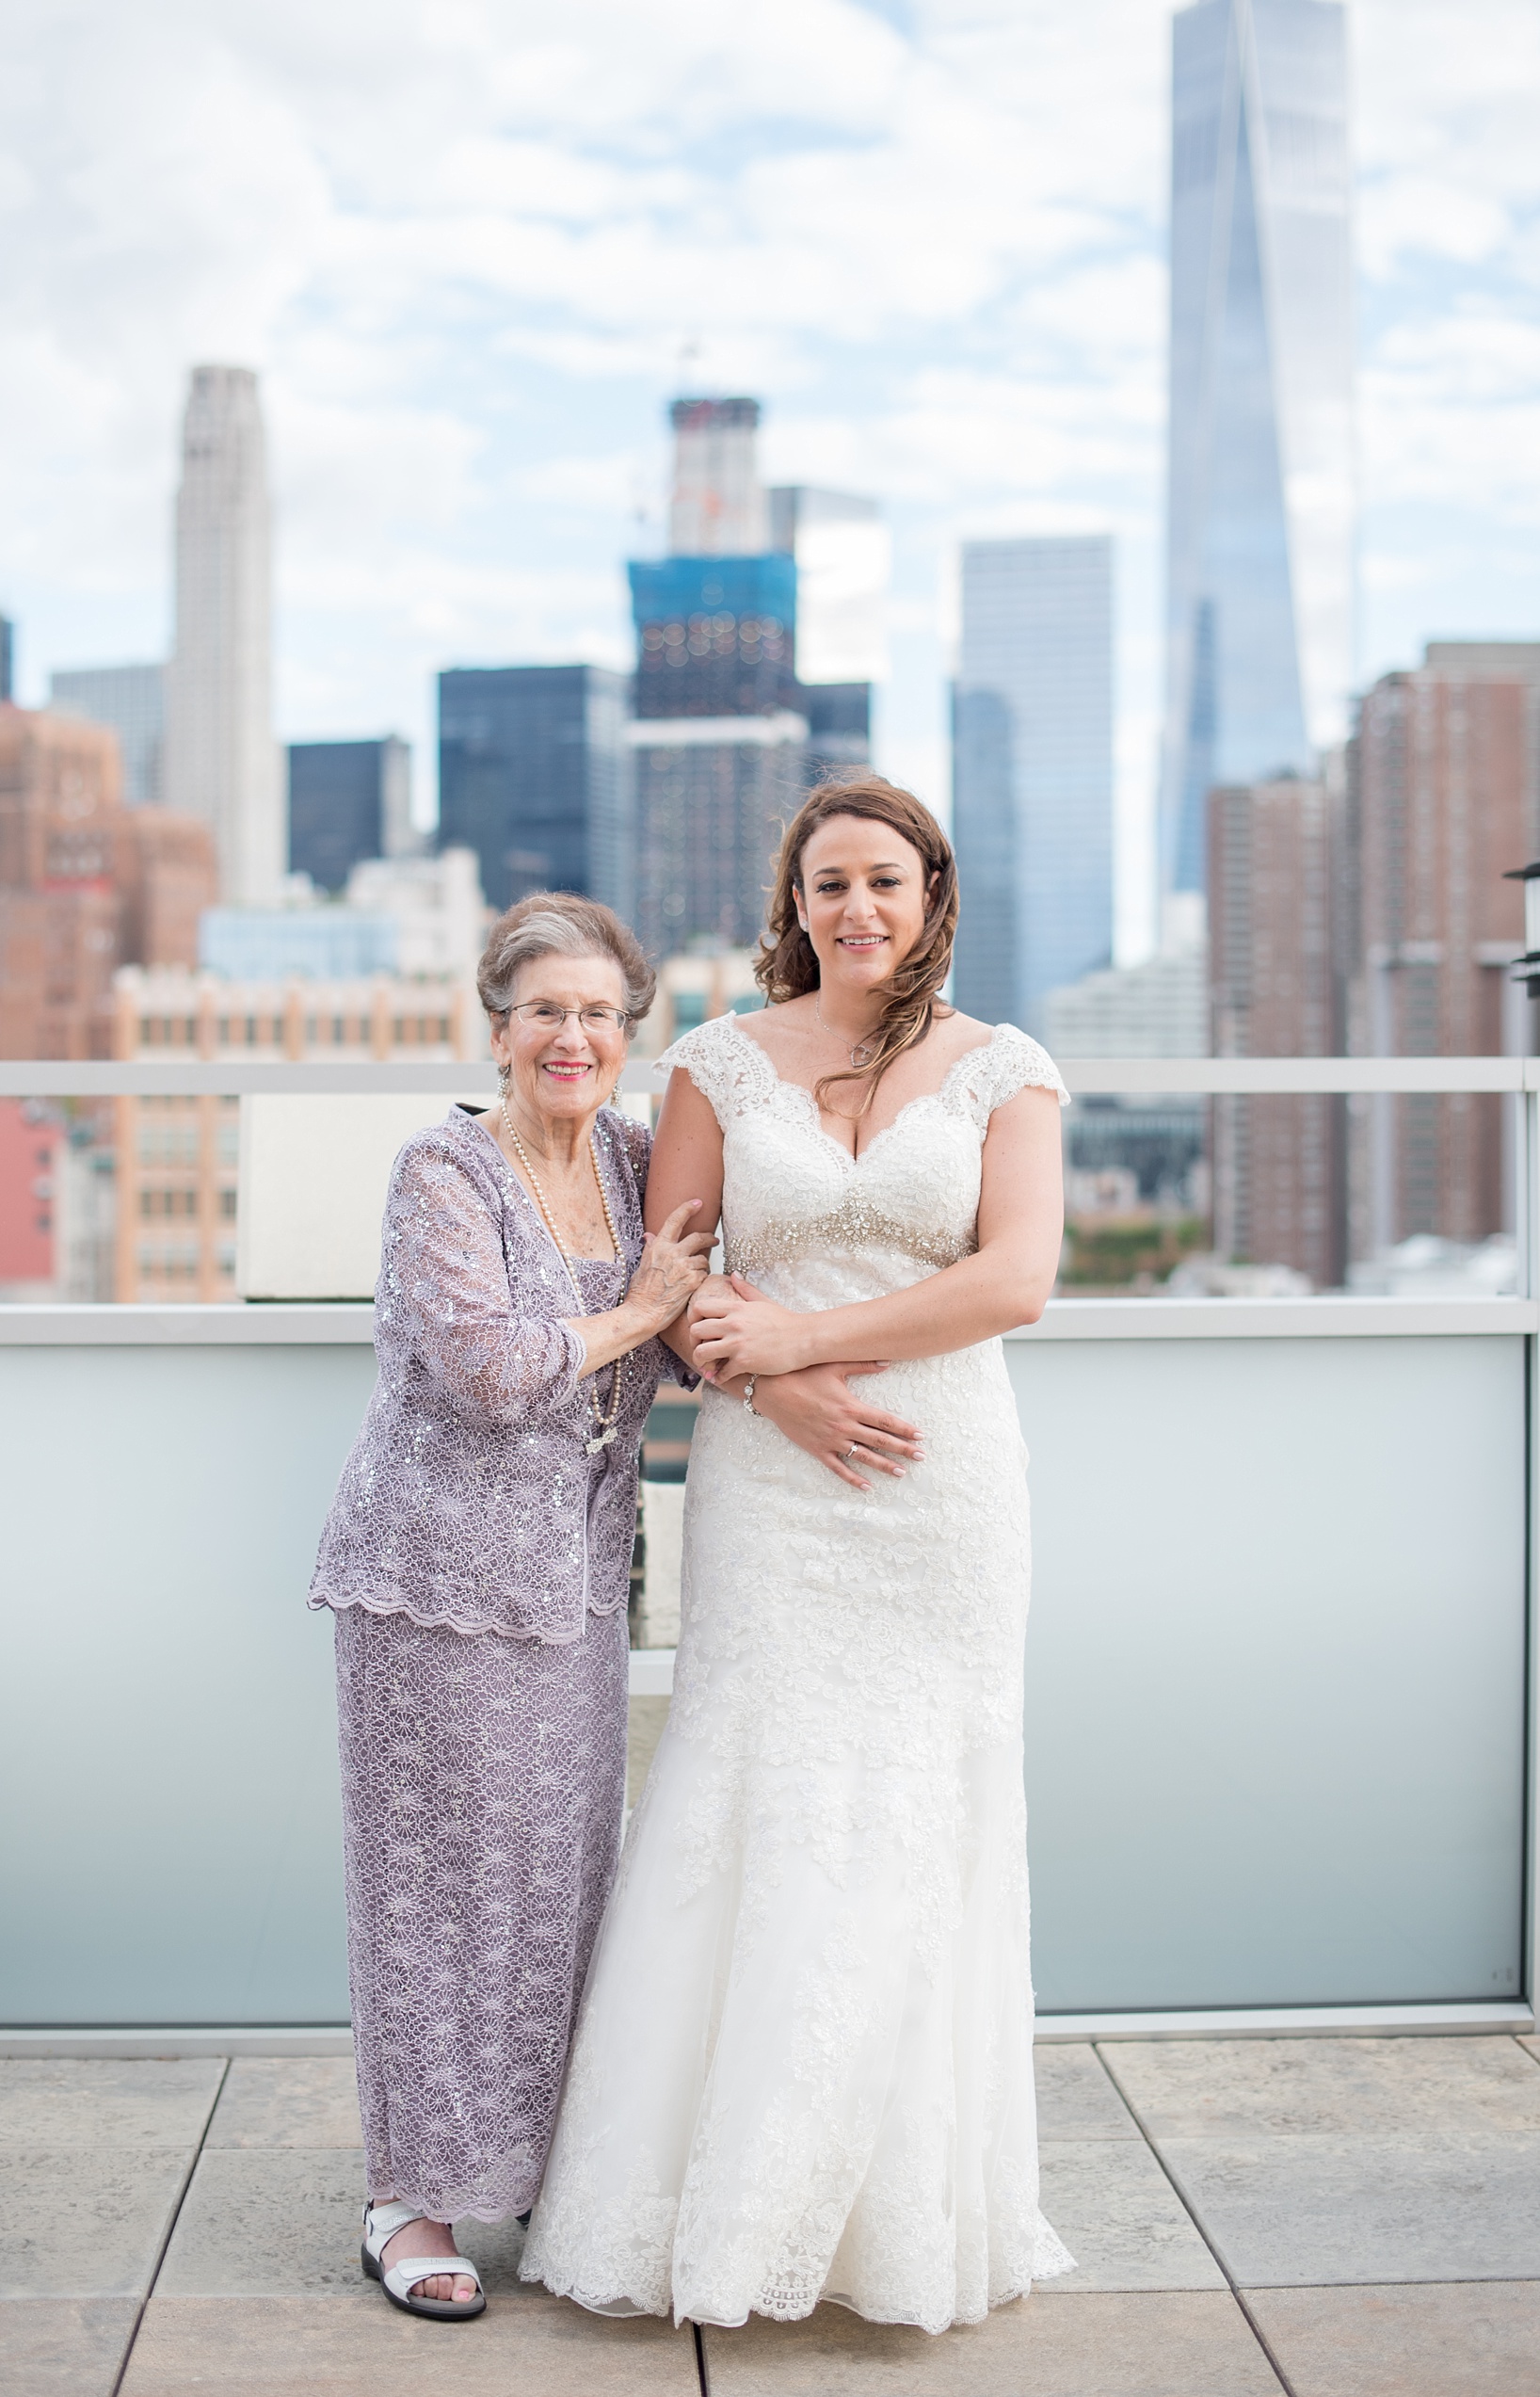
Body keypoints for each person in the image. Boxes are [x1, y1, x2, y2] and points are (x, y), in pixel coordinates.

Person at [522, 778, 1075, 2332]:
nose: (858, 908)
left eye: (884, 880)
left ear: (930, 891)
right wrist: (772, 1384)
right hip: (768, 1487)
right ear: (795, 902)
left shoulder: (1004, 1070)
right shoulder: (715, 1061)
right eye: (829, 882)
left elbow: (1017, 1277)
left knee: (923, 1806)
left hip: (942, 1485)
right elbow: (675, 1281)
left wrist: (807, 1343)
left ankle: (889, 2217)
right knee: (748, 1789)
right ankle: (705, 2200)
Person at [308, 893, 713, 2322]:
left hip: (574, 1592)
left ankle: (532, 2164)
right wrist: (640, 1305)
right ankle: (409, 2195)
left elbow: (704, 1324)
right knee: (431, 1901)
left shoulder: (632, 1155)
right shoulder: (443, 1169)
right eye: (547, 1009)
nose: (575, 1035)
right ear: (498, 1028)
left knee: (556, 1892)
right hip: (428, 1586)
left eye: (602, 1013)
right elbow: (484, 1368)